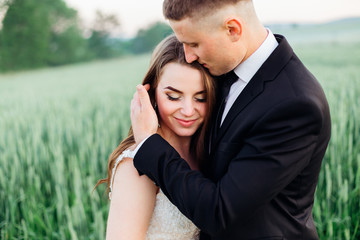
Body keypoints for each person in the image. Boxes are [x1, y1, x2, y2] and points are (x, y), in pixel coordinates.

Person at [130, 0, 331, 239]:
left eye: (194, 44)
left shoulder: (295, 104)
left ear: (233, 29)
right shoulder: (220, 70)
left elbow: (220, 211)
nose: (188, 56)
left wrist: (150, 145)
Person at [95, 34, 216, 239]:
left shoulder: (209, 149)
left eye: (200, 98)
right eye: (173, 96)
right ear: (151, 92)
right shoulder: (136, 165)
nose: (188, 110)